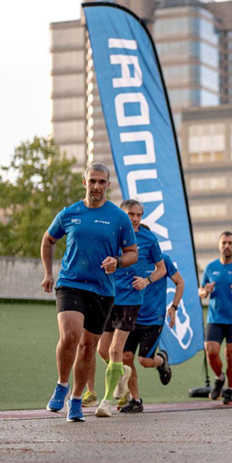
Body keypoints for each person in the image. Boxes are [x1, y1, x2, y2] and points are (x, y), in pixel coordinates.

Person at [41, 162, 138, 422]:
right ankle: (62, 385)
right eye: (92, 181)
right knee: (71, 335)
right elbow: (48, 239)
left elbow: (132, 254)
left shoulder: (118, 217)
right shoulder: (70, 213)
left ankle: (76, 399)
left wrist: (117, 261)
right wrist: (49, 273)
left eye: (101, 182)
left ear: (108, 185)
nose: (96, 186)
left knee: (87, 348)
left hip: (103, 291)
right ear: (85, 183)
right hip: (71, 284)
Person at [91, 199, 167, 417]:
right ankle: (122, 371)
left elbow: (161, 268)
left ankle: (105, 402)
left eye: (138, 215)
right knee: (103, 350)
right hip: (109, 297)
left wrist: (147, 281)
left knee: (117, 350)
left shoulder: (149, 238)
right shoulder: (111, 234)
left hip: (131, 301)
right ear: (121, 215)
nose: (135, 219)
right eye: (131, 214)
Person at [119, 246, 184, 413]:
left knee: (145, 361)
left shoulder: (163, 260)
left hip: (154, 319)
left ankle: (161, 360)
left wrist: (174, 308)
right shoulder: (128, 260)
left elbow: (180, 282)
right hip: (131, 315)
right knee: (126, 357)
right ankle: (136, 400)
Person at [199, 232, 232, 405]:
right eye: (224, 243)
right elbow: (201, 290)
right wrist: (206, 291)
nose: (227, 246)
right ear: (219, 246)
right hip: (215, 317)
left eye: (230, 243)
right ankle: (220, 378)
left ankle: (230, 389)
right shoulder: (211, 267)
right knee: (211, 351)